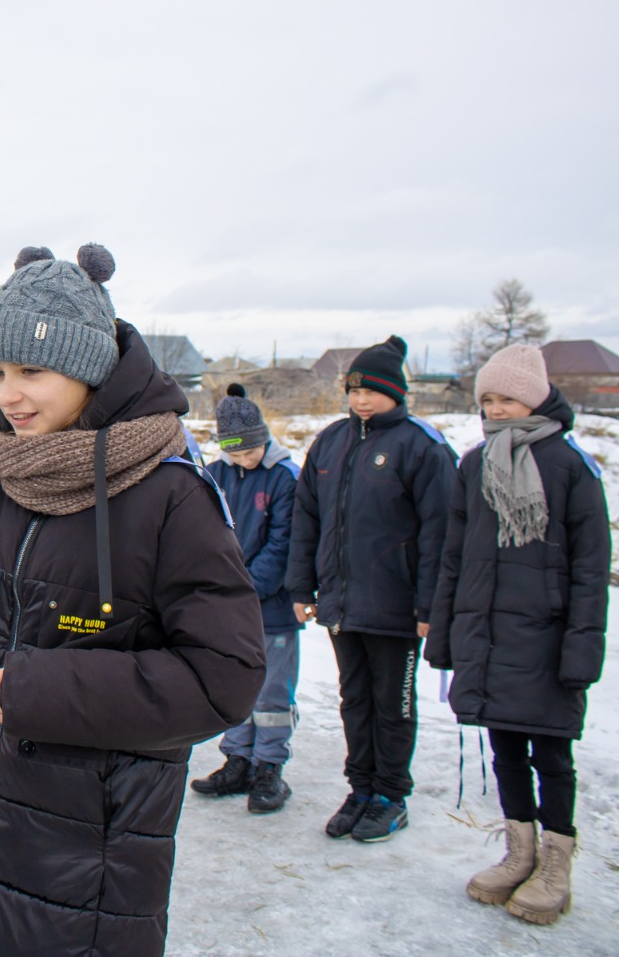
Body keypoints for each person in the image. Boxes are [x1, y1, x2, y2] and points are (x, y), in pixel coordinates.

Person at [0, 244, 265, 957]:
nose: (8, 396)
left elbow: (224, 677)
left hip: (84, 864)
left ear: (90, 367)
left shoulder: (170, 494)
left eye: (33, 372)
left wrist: (40, 691)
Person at [426, 344, 609, 925]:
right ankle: (519, 852)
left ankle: (555, 865)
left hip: (547, 639)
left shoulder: (571, 466)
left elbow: (591, 568)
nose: (496, 409)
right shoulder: (475, 463)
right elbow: (454, 556)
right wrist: (446, 634)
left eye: (507, 398)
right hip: (487, 636)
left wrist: (582, 648)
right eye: (487, 399)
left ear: (534, 398)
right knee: (504, 750)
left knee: (551, 754)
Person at [285, 335, 458, 843]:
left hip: (396, 606)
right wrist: (301, 587)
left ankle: (390, 796)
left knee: (393, 704)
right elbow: (306, 520)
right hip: (341, 603)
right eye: (354, 391)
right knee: (354, 700)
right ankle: (360, 788)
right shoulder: (331, 442)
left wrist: (430, 606)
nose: (361, 400)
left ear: (395, 393)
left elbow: (440, 535)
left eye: (372, 391)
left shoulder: (422, 446)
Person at [190, 384, 301, 814]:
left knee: (272, 690)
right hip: (227, 605)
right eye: (234, 453)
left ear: (263, 439)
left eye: (249, 452)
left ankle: (269, 766)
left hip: (270, 606)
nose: (243, 460)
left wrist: (245, 589)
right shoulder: (216, 475)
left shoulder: (284, 477)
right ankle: (237, 758)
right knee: (233, 683)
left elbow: (283, 543)